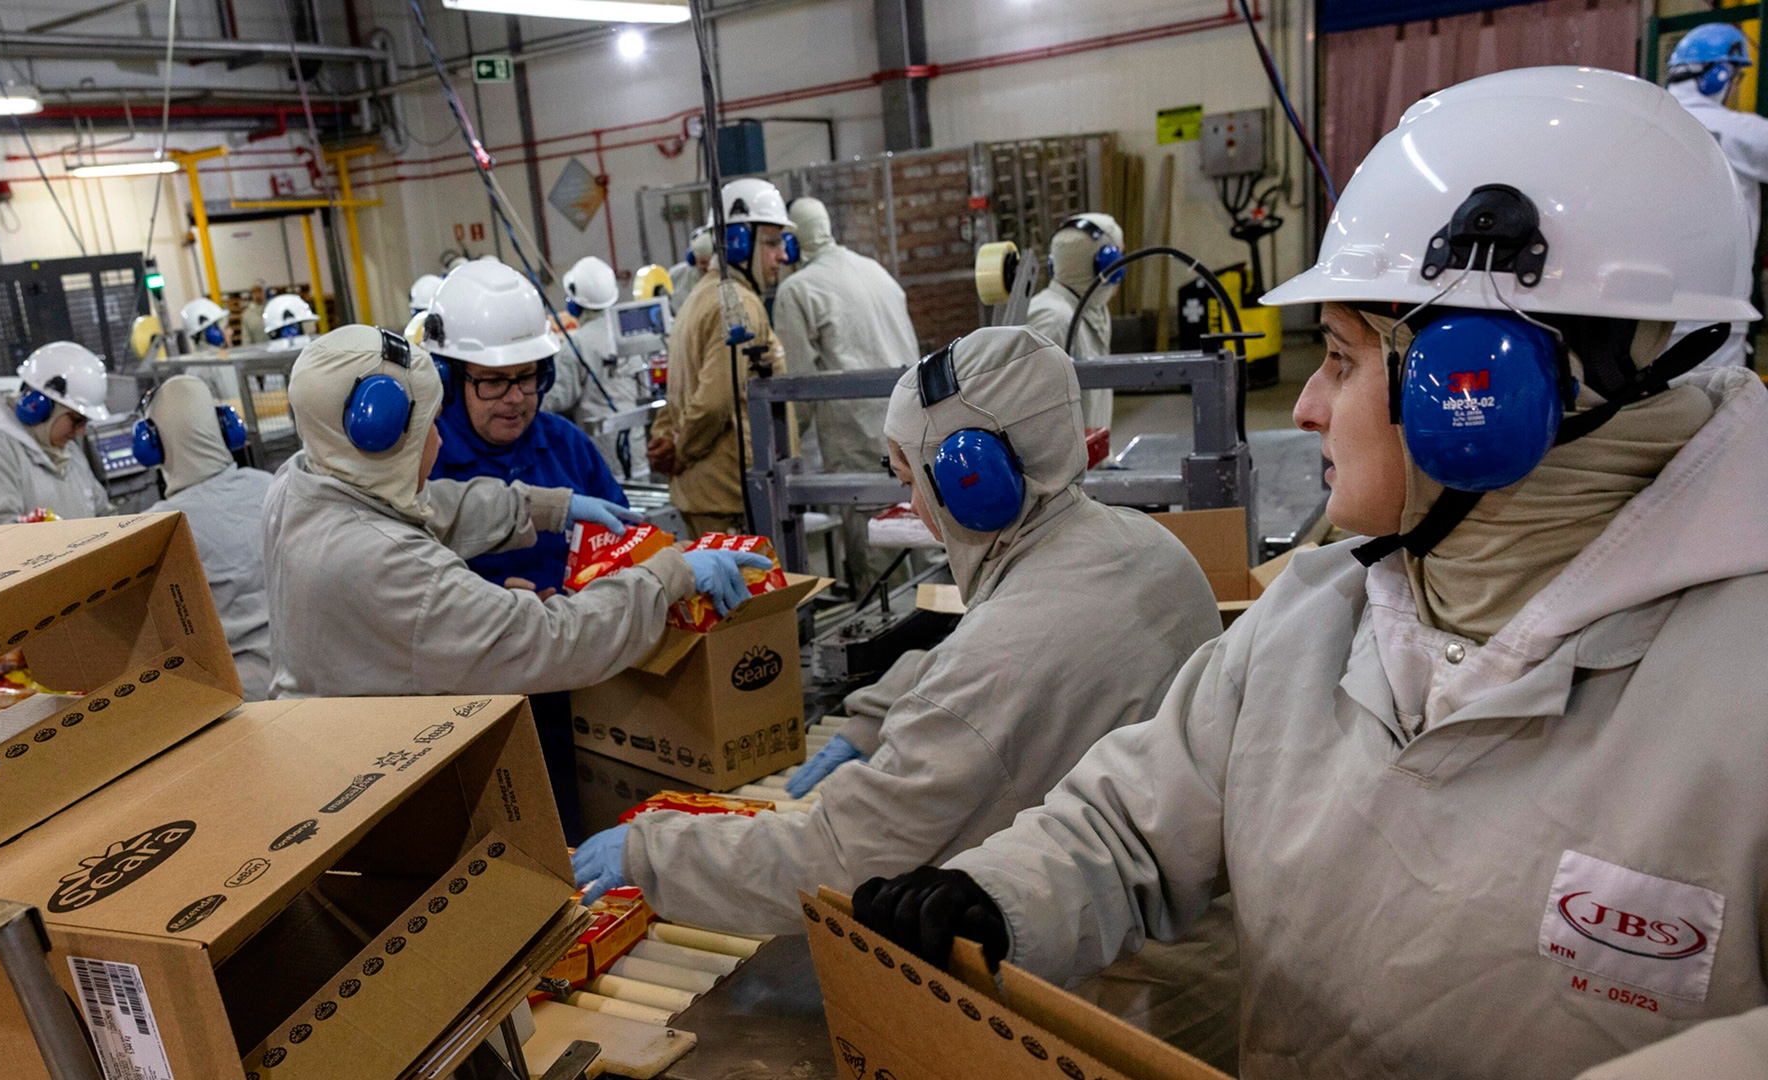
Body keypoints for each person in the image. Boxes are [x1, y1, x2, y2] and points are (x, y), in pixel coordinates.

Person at [853, 66, 1768, 1080]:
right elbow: (1129, 824)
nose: (1305, 409)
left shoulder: (1743, 694)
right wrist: (1001, 898)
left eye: (1337, 359)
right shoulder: (1315, 614)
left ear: (1482, 385)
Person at [575, 328, 1227, 1051]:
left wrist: (651, 853)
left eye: (910, 477)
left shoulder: (1002, 656)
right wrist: (876, 715)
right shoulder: (1144, 546)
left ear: (973, 481)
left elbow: (840, 857)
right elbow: (1001, 657)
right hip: (1204, 953)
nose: (913, 504)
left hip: (1117, 1010)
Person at [261, 323, 770, 701]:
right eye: (428, 429)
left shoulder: (302, 482)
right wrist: (667, 577)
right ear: (380, 437)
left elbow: (431, 507)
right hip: (378, 786)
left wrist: (542, 507)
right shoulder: (392, 566)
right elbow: (551, 640)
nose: (438, 439)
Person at [424, 258, 631, 839]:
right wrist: (494, 599)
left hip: (581, 697)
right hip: (480, 715)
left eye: (529, 377)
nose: (516, 398)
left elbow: (624, 546)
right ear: (448, 378)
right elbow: (411, 588)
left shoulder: (567, 447)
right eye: (493, 381)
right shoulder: (428, 466)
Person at [772, 196, 919, 593]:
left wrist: (775, 453)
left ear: (790, 243)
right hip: (913, 434)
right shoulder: (874, 270)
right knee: (919, 553)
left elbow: (796, 388)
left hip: (859, 448)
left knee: (880, 578)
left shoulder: (796, 290)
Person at [649, 178, 792, 536]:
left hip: (705, 494)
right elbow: (714, 401)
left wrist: (670, 439)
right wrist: (682, 451)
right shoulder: (737, 305)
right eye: (772, 243)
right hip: (731, 497)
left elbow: (677, 392)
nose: (783, 255)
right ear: (738, 243)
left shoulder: (698, 297)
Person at [133, 375, 274, 700]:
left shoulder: (159, 526)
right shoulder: (269, 485)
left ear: (151, 444)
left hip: (235, 695)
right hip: (307, 675)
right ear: (225, 427)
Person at [1666, 22, 1768, 368]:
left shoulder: (1648, 121)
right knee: (1718, 414)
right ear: (1719, 76)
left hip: (1644, 309)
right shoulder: (1744, 132)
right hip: (1717, 311)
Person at [0, 341, 113, 536]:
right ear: (38, 406)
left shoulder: (64, 448)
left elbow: (103, 516)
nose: (81, 431)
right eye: (77, 420)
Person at [546, 255, 644, 479]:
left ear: (574, 301)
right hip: (638, 452)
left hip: (602, 457)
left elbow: (558, 399)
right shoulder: (627, 331)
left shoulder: (576, 343)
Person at [1027, 212, 1123, 429]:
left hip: (1091, 458)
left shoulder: (1092, 310)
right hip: (1067, 462)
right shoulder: (1052, 320)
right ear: (1107, 265)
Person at [667, 226, 712, 314]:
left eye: (711, 262)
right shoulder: (675, 275)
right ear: (693, 259)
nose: (708, 267)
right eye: (703, 263)